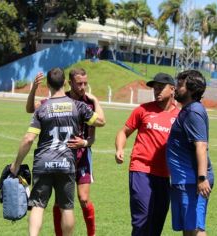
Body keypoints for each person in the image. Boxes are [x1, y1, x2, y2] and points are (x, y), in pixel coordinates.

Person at [10, 68, 106, 236]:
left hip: (45, 161)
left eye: (85, 83)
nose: (83, 87)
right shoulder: (79, 106)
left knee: (38, 206)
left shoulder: (44, 107)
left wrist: (16, 164)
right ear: (65, 83)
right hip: (66, 161)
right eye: (79, 83)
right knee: (67, 207)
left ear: (48, 84)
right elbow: (100, 121)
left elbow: (28, 138)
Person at [115, 72, 179, 236]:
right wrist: (120, 148)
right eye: (154, 88)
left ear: (172, 89)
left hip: (165, 175)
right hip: (140, 170)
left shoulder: (180, 116)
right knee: (141, 220)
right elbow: (123, 132)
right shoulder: (143, 110)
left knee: (157, 222)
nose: (156, 91)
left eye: (160, 87)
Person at [166, 70, 214, 236]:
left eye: (180, 85)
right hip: (184, 180)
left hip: (193, 181)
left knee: (195, 230)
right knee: (189, 229)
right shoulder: (187, 110)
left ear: (192, 89)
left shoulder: (193, 112)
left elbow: (201, 146)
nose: (176, 88)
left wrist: (202, 179)